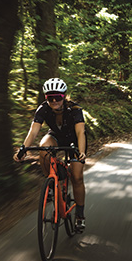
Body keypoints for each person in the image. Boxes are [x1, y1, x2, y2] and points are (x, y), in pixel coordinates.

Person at [14, 78, 87, 233]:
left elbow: (81, 132)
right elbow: (33, 131)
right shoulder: (43, 109)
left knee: (77, 176)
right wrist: (23, 149)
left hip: (74, 140)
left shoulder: (75, 109)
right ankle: (52, 184)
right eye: (50, 97)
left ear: (64, 96)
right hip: (56, 136)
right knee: (43, 147)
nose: (54, 100)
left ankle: (80, 215)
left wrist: (81, 152)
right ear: (45, 97)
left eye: (58, 97)